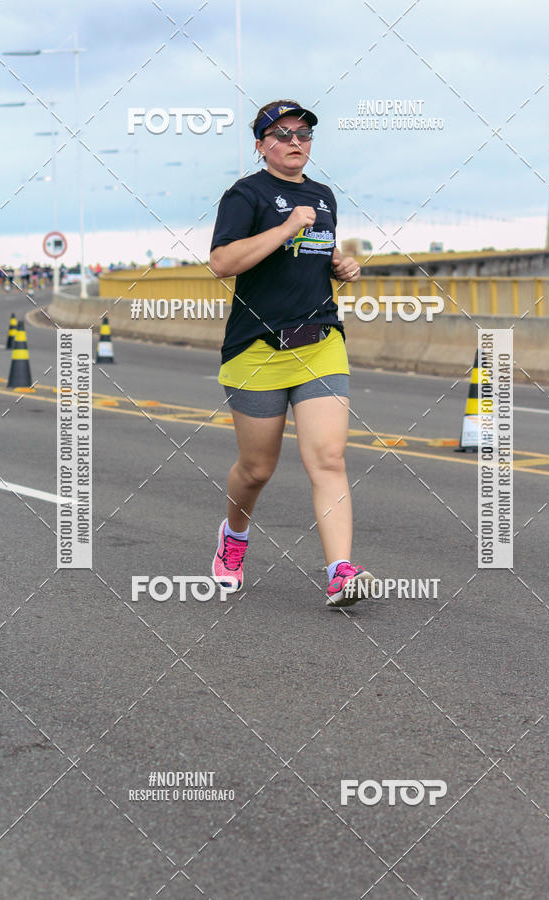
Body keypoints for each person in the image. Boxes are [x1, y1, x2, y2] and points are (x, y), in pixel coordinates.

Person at [209, 99, 376, 607]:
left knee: (327, 458)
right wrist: (284, 227)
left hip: (321, 343)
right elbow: (222, 262)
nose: (295, 142)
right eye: (281, 134)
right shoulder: (245, 194)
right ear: (261, 145)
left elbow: (310, 260)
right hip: (257, 348)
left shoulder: (323, 196)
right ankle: (233, 538)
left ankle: (340, 570)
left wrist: (342, 268)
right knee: (257, 469)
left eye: (303, 134)